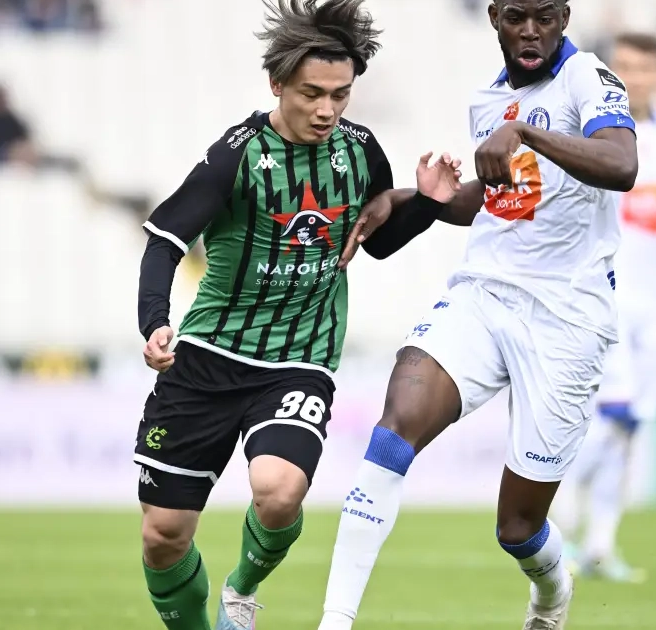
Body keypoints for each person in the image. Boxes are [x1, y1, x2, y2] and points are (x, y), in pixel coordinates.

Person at [132, 1, 462, 629]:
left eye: (340, 95)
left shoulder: (360, 151)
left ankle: (241, 590)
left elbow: (375, 241)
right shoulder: (235, 156)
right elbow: (165, 240)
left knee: (280, 492)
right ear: (277, 84)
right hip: (207, 357)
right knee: (163, 536)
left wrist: (427, 204)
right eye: (312, 93)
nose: (327, 110)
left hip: (300, 359)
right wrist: (154, 322)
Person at [316, 0, 638, 628]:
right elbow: (499, 200)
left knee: (518, 528)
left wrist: (526, 133)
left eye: (545, 16)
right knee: (393, 430)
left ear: (565, 17)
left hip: (568, 318)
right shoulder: (489, 100)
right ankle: (336, 620)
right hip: (484, 293)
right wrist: (417, 198)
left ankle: (552, 592)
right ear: (493, 17)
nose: (531, 31)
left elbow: (622, 166)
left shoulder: (589, 78)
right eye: (516, 16)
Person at [555, 32, 656, 584]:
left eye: (644, 69)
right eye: (623, 67)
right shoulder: (595, 133)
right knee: (615, 412)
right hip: (603, 295)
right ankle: (557, 500)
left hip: (651, 302)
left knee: (633, 422)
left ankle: (599, 544)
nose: (633, 78)